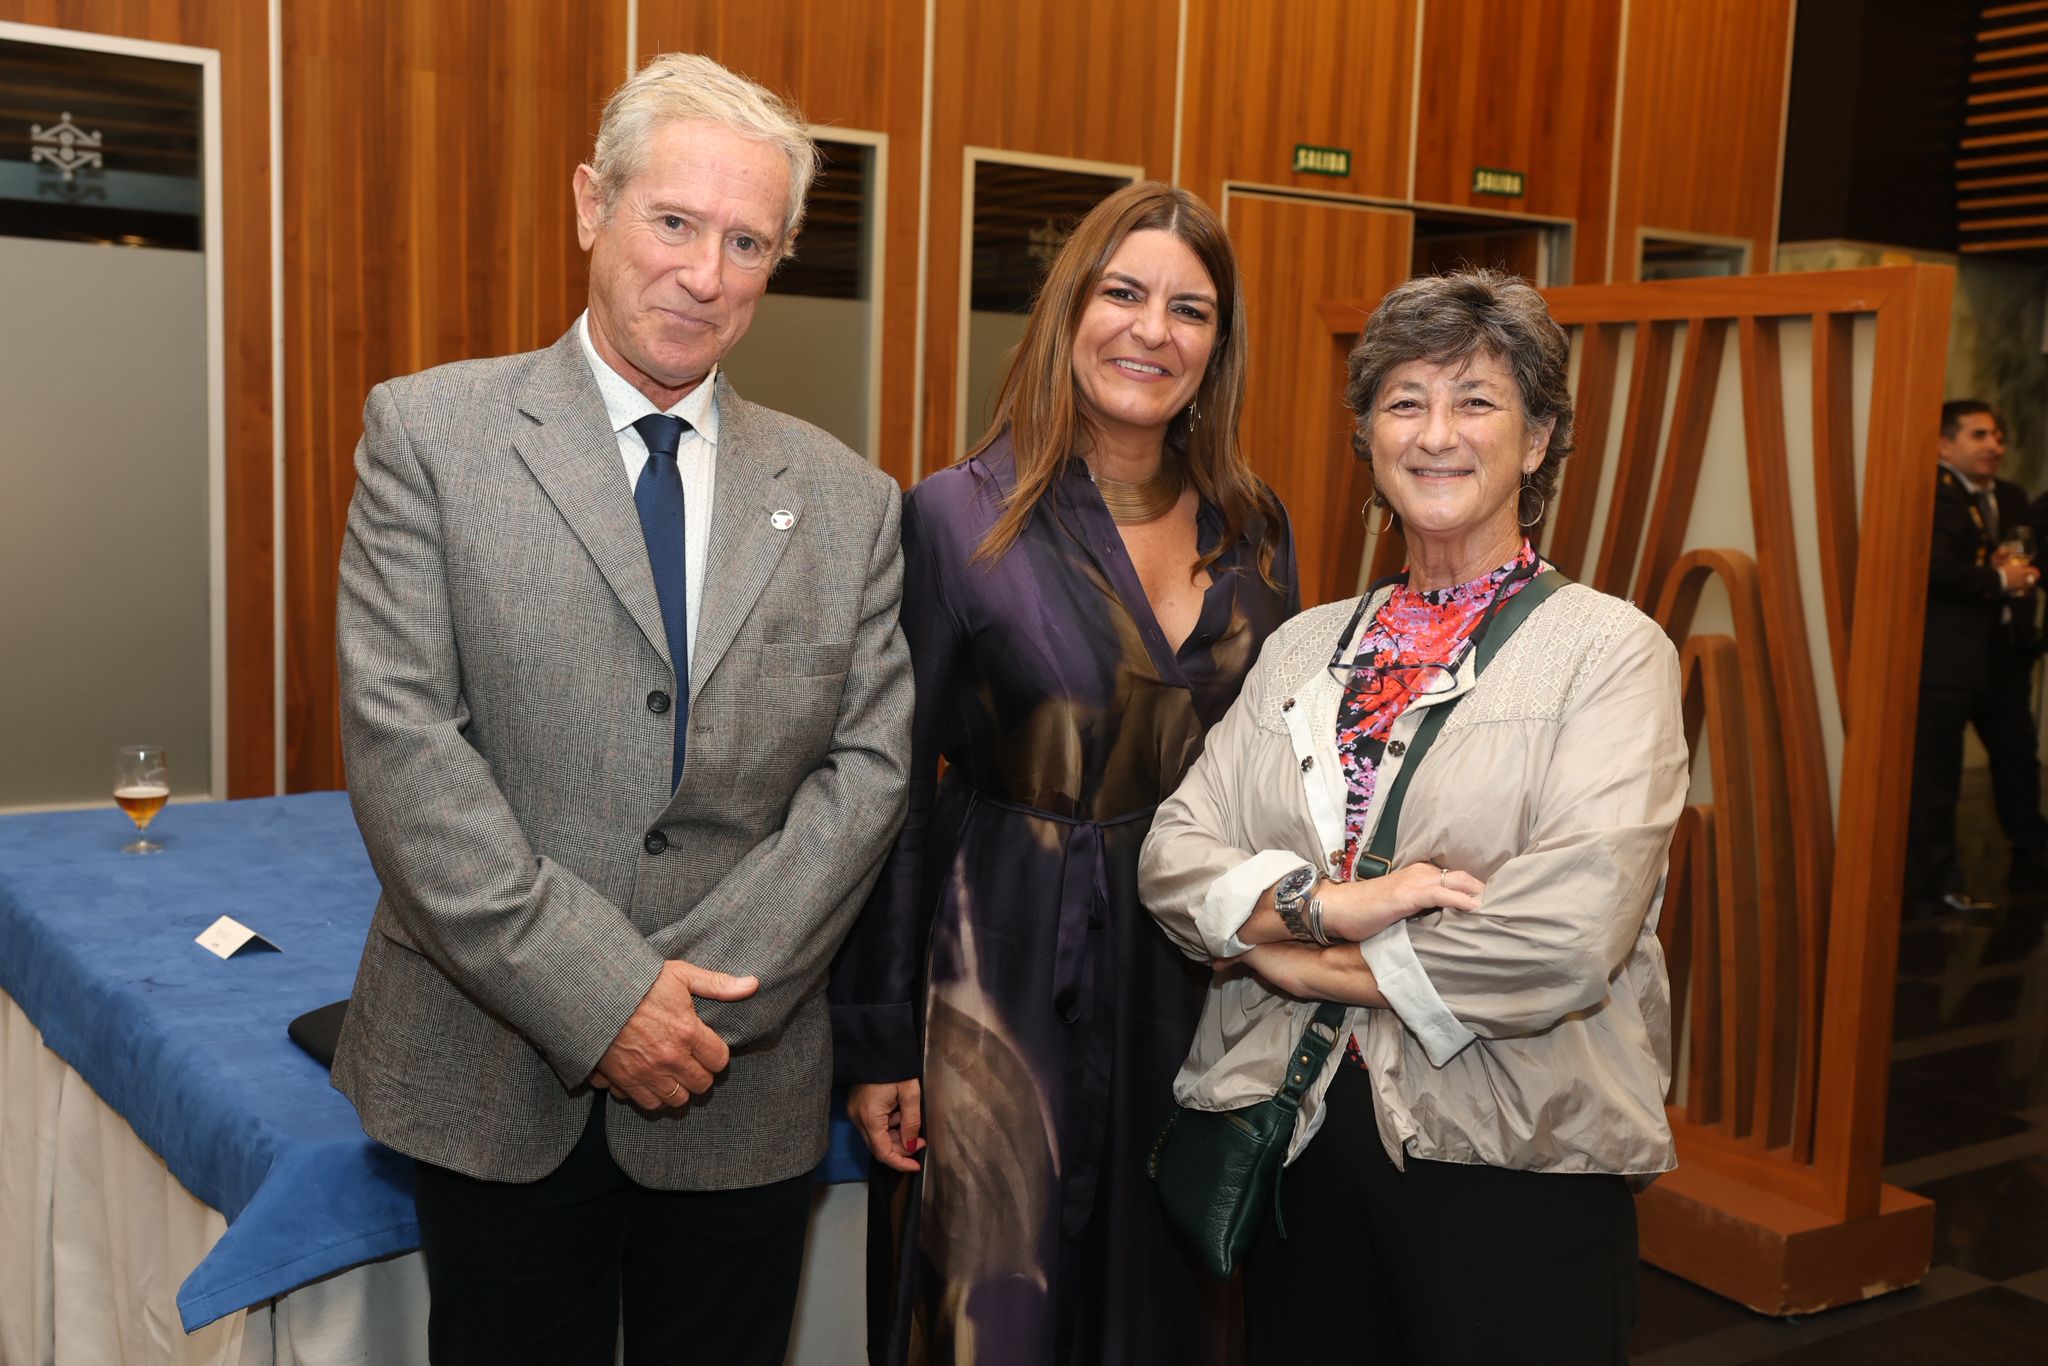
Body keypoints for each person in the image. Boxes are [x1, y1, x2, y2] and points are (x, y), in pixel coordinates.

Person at [329, 53, 912, 1366]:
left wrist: (693, 1011)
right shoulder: (430, 435)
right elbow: (408, 756)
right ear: (593, 205)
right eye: (674, 221)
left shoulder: (848, 498)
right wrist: (606, 999)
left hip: (738, 1082)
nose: (706, 274)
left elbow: (866, 781)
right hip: (494, 1071)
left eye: (748, 240)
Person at [1140, 268, 1687, 1365]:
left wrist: (1295, 958)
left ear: (1536, 442)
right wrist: (1332, 903)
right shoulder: (1304, 644)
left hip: (1512, 1152)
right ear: (1367, 438)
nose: (1435, 434)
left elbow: (1563, 938)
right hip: (1298, 1134)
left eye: (1475, 401)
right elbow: (1170, 857)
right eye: (1403, 402)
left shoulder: (1609, 650)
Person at [830, 181, 1297, 1365]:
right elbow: (887, 788)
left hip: (1199, 971)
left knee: (1176, 1289)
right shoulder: (956, 516)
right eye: (1123, 293)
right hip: (1002, 965)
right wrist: (883, 1038)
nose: (1153, 330)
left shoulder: (1254, 525)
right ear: (1066, 312)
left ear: (1217, 346)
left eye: (1189, 309)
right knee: (996, 1297)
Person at [1907, 399, 2047, 914]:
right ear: (1944, 444)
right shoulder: (1935, 494)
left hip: (2003, 653)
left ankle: (2031, 858)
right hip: (1948, 659)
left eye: (1999, 436)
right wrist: (1996, 578)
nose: (1995, 445)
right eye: (1980, 435)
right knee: (1938, 776)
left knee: (2017, 761)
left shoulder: (2009, 497)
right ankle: (1934, 886)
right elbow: (1934, 568)